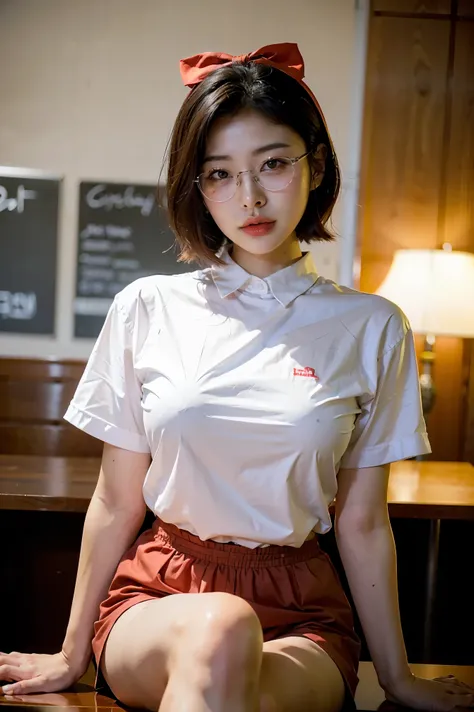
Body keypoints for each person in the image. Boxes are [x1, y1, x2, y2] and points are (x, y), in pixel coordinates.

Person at [1, 42, 473, 712]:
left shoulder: (372, 326)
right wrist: (71, 653)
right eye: (219, 174)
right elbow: (115, 500)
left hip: (301, 614)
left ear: (315, 164)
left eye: (273, 164)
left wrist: (395, 679)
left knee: (230, 656)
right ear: (197, 187)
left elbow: (364, 524)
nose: (248, 196)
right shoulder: (147, 307)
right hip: (158, 600)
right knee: (221, 628)